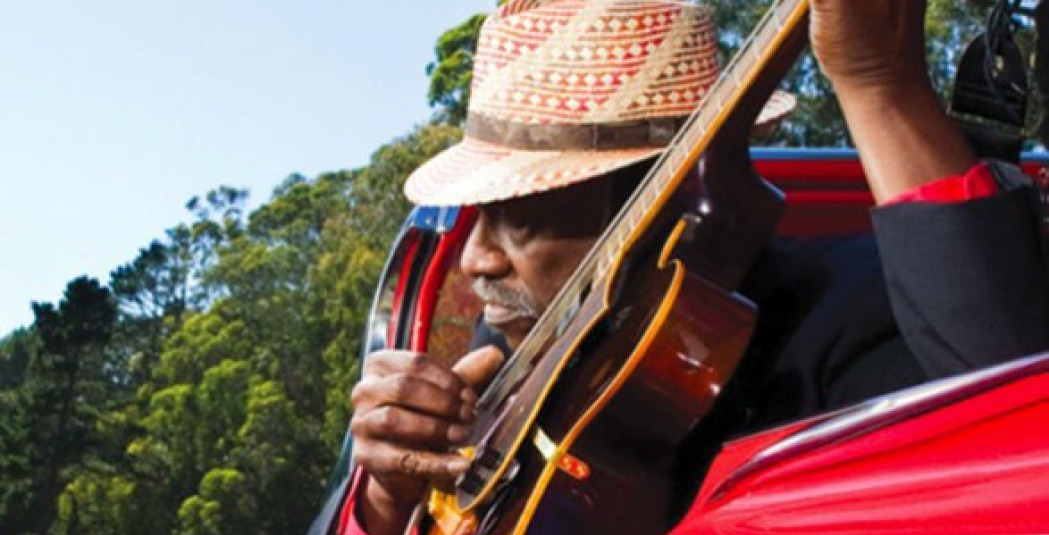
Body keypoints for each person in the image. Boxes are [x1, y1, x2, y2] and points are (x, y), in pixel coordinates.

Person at [340, 1, 1049, 534]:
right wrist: (381, 497)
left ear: (670, 202)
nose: (474, 256)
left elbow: (1018, 433)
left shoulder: (863, 306)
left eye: (518, 215)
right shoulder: (506, 364)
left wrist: (878, 83)